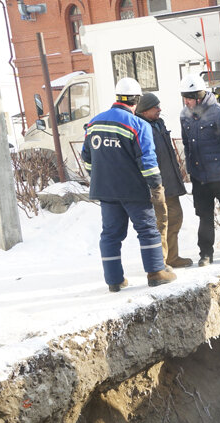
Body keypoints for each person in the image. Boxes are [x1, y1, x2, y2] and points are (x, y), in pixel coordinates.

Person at [80, 77, 176, 293]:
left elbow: (86, 157)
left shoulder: (94, 123)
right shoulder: (138, 125)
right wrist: (155, 185)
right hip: (133, 189)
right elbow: (147, 161)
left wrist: (96, 175)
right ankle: (156, 273)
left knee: (110, 234)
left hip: (106, 191)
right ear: (137, 100)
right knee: (148, 230)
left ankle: (114, 280)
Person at [178, 73, 220, 266]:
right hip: (200, 176)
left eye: (190, 98)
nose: (187, 102)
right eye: (185, 98)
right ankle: (205, 253)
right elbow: (187, 144)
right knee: (204, 216)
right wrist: (191, 170)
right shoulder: (185, 115)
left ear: (199, 96)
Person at [134, 92, 192, 268]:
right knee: (161, 223)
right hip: (155, 185)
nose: (160, 109)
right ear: (144, 111)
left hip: (170, 182)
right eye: (155, 107)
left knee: (175, 218)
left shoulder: (159, 124)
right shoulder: (140, 127)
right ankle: (161, 262)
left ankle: (172, 257)